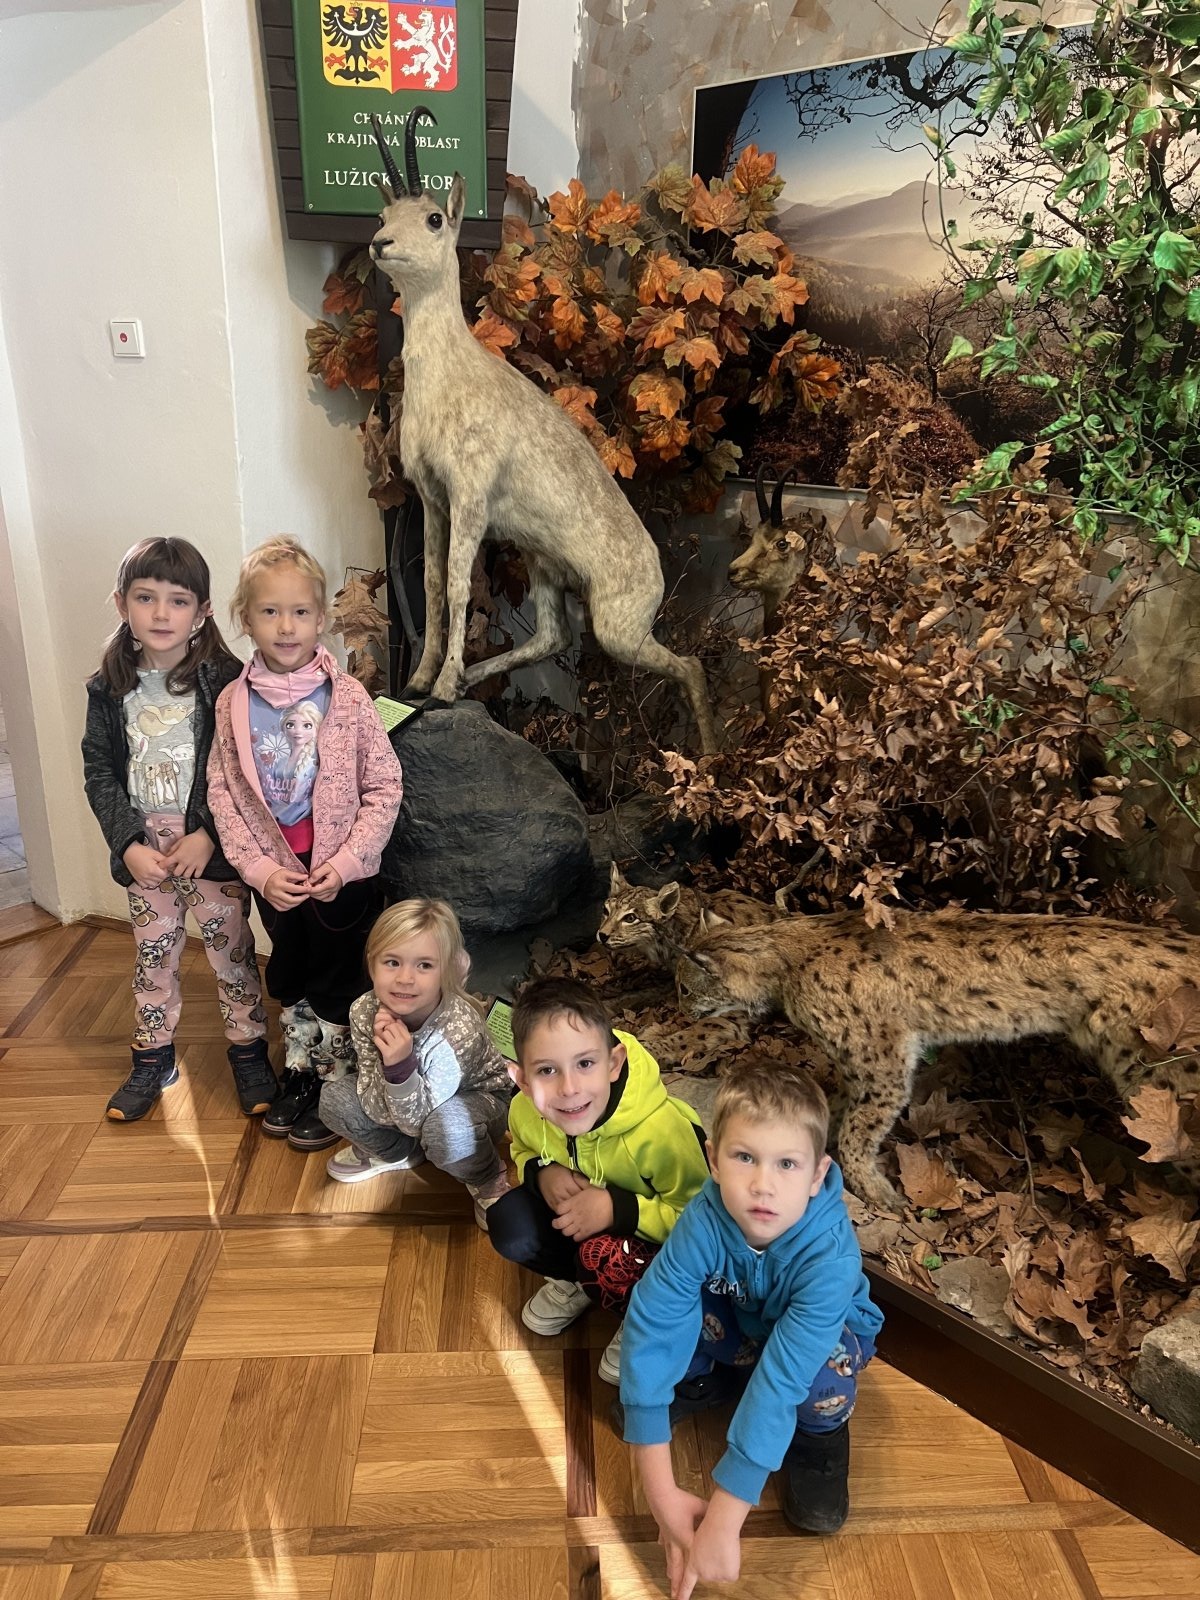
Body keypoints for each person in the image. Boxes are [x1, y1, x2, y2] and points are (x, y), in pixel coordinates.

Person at [618, 1060, 884, 1599]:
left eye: (787, 1163)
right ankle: (712, 1378)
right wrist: (660, 1492)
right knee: (675, 1302)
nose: (763, 1185)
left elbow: (783, 1378)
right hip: (741, 1321)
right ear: (714, 1160)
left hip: (813, 1349)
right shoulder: (704, 1217)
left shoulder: (830, 1256)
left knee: (819, 1379)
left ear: (817, 1175)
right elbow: (654, 1318)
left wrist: (725, 1513)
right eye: (745, 1157)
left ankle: (819, 1438)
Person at [207, 535, 403, 1150]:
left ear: (321, 619)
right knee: (290, 971)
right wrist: (258, 870)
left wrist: (349, 861)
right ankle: (300, 1070)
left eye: (299, 612)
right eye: (270, 611)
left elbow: (384, 784)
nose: (286, 626)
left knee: (339, 976)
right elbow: (224, 793)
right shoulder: (232, 703)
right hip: (277, 877)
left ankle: (337, 1080)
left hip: (343, 876)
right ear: (246, 619)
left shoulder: (348, 698)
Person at [82, 537, 276, 1123]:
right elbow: (98, 770)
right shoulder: (108, 687)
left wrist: (208, 834)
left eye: (178, 600)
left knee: (232, 955)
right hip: (147, 855)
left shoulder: (227, 681)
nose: (161, 613)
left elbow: (241, 768)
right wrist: (128, 845)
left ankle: (248, 1052)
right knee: (153, 958)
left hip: (209, 853)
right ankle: (152, 1057)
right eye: (146, 598)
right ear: (122, 603)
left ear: (203, 611)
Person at [486, 976, 710, 1386]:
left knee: (603, 1261)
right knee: (508, 1222)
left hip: (656, 1245)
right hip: (582, 1224)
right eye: (547, 1070)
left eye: (585, 1064)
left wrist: (617, 1209)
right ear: (522, 1080)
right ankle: (575, 1283)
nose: (569, 1089)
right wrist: (542, 1172)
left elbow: (702, 1223)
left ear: (614, 1063)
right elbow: (522, 1149)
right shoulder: (523, 1111)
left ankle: (642, 1318)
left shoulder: (661, 1133)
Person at [321, 898, 514, 1226]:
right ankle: (400, 1152)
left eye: (424, 965)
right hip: (407, 1107)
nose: (405, 978)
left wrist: (398, 1067)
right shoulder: (364, 1010)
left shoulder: (458, 1029)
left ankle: (485, 1176)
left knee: (444, 1131)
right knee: (334, 1101)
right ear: (372, 965)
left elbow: (419, 1123)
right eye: (392, 962)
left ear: (444, 972)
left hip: (477, 1101)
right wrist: (393, 1068)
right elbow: (372, 1102)